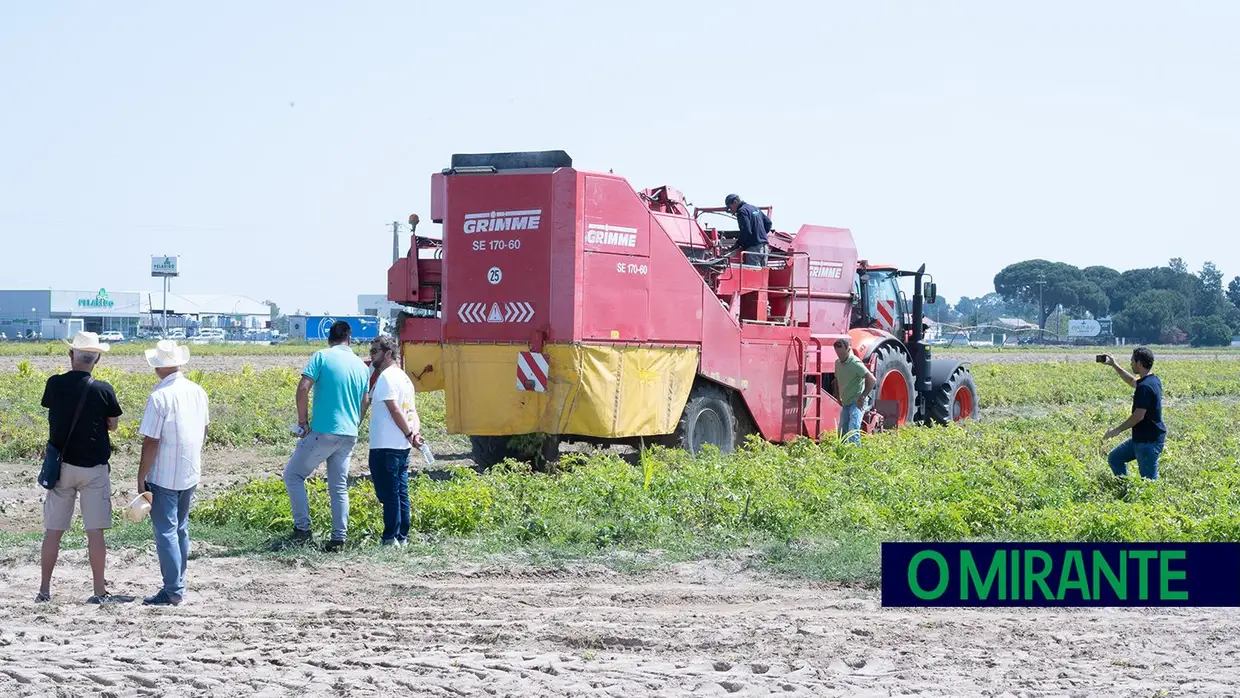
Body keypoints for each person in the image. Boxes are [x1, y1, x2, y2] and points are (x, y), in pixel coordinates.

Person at [38, 331, 129, 604]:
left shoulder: (54, 384)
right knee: (95, 532)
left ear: (71, 355)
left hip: (61, 467)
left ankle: (44, 590)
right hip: (93, 469)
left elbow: (53, 411)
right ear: (97, 359)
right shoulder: (103, 389)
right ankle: (99, 591)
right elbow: (112, 423)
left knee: (53, 530)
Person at [281, 321, 370, 551]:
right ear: (349, 338)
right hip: (349, 433)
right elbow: (365, 400)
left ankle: (302, 530)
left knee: (293, 475)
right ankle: (338, 538)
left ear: (329, 339)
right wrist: (355, 423)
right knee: (338, 486)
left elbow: (303, 387)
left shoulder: (321, 356)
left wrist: (302, 422)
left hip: (324, 430)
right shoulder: (361, 366)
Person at [136, 340, 210, 606]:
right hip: (190, 470)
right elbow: (204, 429)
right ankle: (178, 580)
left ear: (157, 367)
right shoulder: (197, 391)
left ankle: (173, 589)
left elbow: (151, 440)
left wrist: (141, 475)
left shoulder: (159, 397)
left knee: (166, 530)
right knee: (180, 528)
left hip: (164, 474)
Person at [366, 336, 423, 546]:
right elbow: (412, 411)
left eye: (375, 351)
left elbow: (395, 408)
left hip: (385, 445)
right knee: (400, 493)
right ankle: (402, 536)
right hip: (400, 445)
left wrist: (409, 434)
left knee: (388, 494)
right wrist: (413, 434)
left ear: (388, 353)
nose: (371, 356)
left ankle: (390, 538)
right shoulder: (405, 379)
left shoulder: (387, 378)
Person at [1101, 347, 1166, 480]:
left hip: (1148, 442)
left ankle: (1148, 500)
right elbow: (1132, 381)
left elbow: (1138, 416)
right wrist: (1114, 365)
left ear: (1140, 364)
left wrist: (1117, 430)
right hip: (1140, 438)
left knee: (1149, 483)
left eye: (1132, 361)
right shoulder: (1153, 380)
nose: (1131, 363)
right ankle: (1125, 489)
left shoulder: (1145, 387)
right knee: (1115, 458)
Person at [832, 338, 876, 445]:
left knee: (853, 430)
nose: (840, 356)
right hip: (846, 402)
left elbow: (872, 379)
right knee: (842, 431)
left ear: (848, 349)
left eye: (842, 353)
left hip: (857, 402)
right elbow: (837, 380)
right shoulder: (837, 363)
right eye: (838, 354)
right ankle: (842, 454)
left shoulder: (855, 363)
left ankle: (855, 456)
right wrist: (838, 396)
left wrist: (863, 396)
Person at [724, 193, 773, 267]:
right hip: (764, 247)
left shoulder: (742, 211)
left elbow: (746, 231)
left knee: (754, 273)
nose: (731, 211)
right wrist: (760, 235)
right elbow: (768, 223)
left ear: (735, 202)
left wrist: (737, 244)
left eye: (730, 208)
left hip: (753, 248)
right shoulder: (755, 208)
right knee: (762, 274)